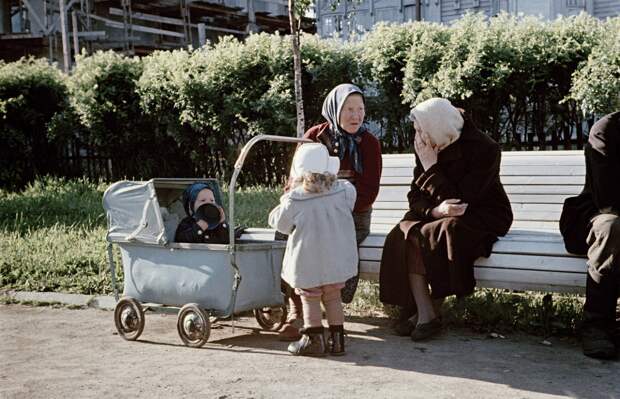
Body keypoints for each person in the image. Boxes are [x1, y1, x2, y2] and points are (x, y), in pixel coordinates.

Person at [379, 98, 513, 341]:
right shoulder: (427, 142)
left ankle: (428, 312)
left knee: (439, 231)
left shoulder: (485, 148)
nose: (417, 135)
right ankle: (425, 311)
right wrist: (433, 212)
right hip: (437, 211)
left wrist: (431, 167)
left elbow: (461, 202)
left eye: (421, 129)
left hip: (482, 213)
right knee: (405, 231)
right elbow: (414, 195)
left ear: (437, 126)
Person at [277, 83, 382, 341]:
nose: (356, 115)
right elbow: (294, 179)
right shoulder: (315, 135)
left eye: (360, 109)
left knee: (328, 244)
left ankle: (325, 310)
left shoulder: (369, 144)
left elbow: (368, 192)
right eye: (349, 109)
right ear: (335, 109)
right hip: (310, 210)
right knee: (288, 242)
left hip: (350, 214)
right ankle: (295, 311)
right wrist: (307, 205)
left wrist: (332, 208)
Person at [269, 143, 358, 356]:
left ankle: (314, 338)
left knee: (310, 297)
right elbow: (351, 206)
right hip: (336, 257)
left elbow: (280, 224)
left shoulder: (294, 199)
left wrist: (286, 195)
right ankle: (337, 341)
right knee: (332, 296)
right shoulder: (344, 191)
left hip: (307, 260)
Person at [559, 111, 620, 359]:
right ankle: (597, 324)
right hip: (599, 212)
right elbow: (608, 199)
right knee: (612, 227)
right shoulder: (606, 129)